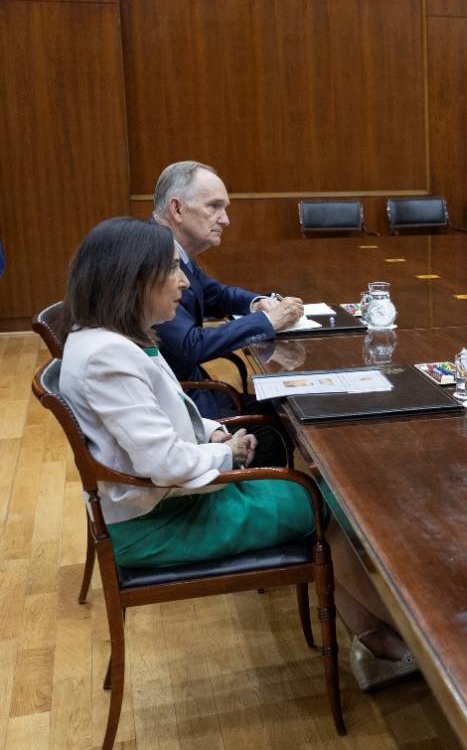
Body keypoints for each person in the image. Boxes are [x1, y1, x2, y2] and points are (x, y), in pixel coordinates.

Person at [60, 217, 420, 691]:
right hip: (157, 524)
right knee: (332, 503)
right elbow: (163, 464)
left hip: (167, 503)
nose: (184, 281)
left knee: (323, 498)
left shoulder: (111, 338)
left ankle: (378, 643)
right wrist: (225, 454)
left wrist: (215, 434)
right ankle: (406, 643)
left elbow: (170, 415)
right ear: (133, 280)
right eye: (171, 269)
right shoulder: (109, 356)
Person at [150, 160, 303, 418]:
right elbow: (190, 345)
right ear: (177, 209)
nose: (226, 220)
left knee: (285, 405)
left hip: (196, 389)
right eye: (214, 206)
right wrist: (267, 321)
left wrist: (256, 303)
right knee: (288, 416)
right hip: (184, 407)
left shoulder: (173, 250)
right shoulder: (152, 257)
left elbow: (215, 294)